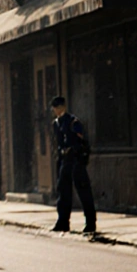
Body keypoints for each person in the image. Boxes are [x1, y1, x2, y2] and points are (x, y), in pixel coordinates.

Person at [50, 96, 97, 233]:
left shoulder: (73, 122)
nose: (56, 110)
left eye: (58, 107)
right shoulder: (56, 124)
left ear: (63, 107)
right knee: (63, 191)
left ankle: (90, 223)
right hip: (64, 160)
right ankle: (63, 221)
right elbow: (57, 142)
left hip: (76, 160)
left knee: (83, 190)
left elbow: (80, 140)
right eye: (54, 108)